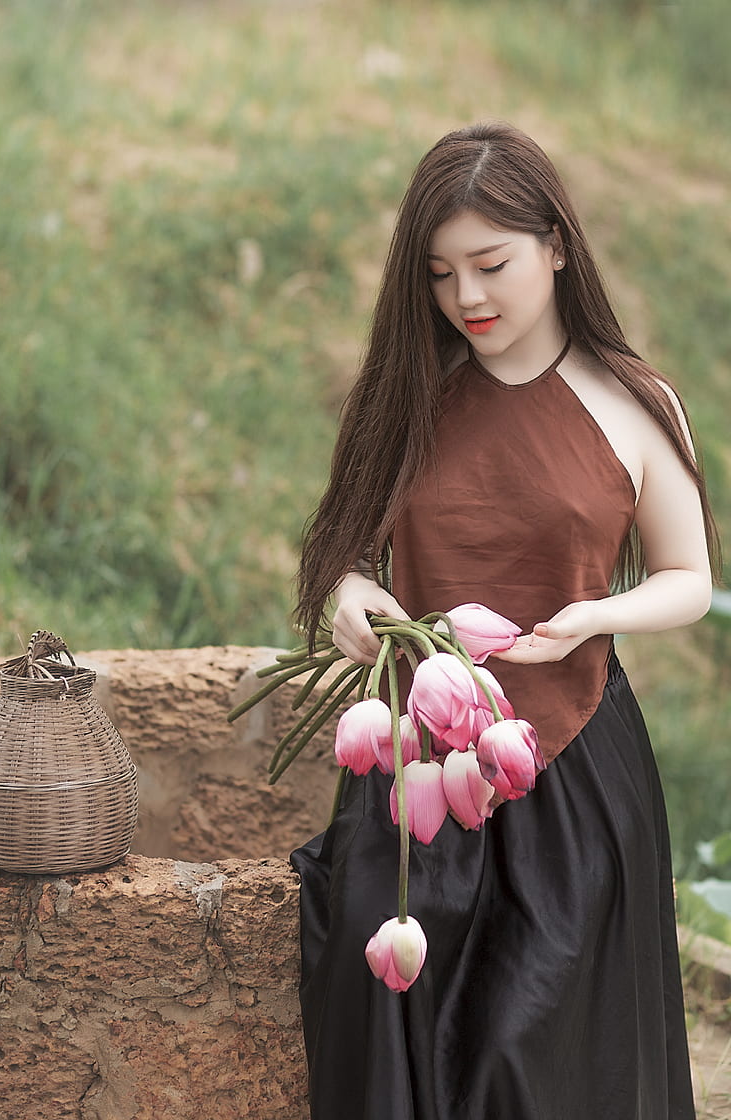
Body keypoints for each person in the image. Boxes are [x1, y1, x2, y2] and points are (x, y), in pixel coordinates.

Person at [289, 121, 721, 1120]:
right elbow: (339, 561)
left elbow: (686, 577)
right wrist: (362, 604)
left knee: (530, 1040)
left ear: (556, 246)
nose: (467, 298)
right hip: (417, 769)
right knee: (387, 991)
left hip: (567, 760)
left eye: (489, 264)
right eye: (439, 275)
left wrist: (593, 616)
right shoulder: (407, 397)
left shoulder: (634, 401)